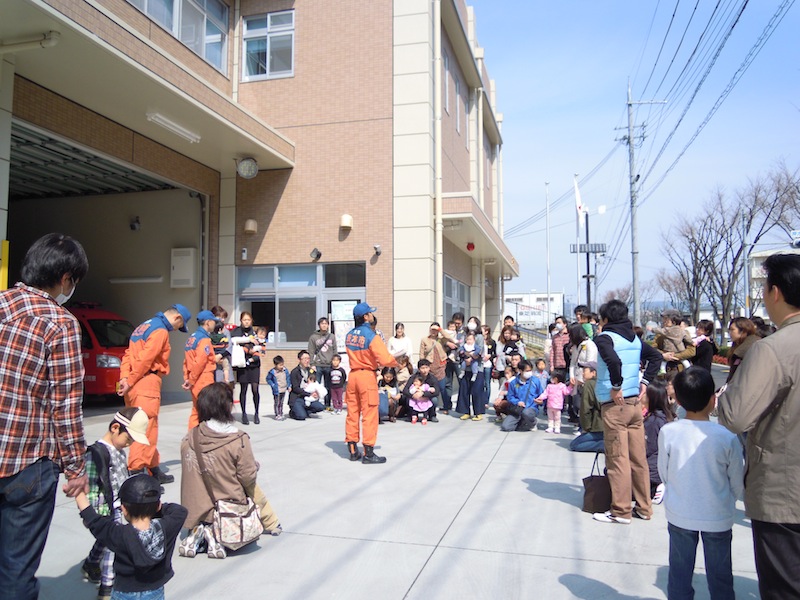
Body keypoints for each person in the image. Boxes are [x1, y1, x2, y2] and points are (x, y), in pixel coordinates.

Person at [0, 233, 89, 600]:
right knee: (16, 570)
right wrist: (77, 469)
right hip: (27, 463)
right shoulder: (61, 323)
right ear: (66, 279)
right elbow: (65, 407)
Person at [717, 253, 800, 599]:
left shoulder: (773, 349)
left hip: (785, 491)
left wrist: (725, 396)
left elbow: (735, 416)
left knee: (785, 586)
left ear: (775, 292)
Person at [658, 368, 744, 600]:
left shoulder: (669, 432)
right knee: (720, 575)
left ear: (678, 399)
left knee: (679, 572)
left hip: (680, 513)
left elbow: (664, 472)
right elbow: (737, 480)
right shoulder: (726, 437)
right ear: (713, 399)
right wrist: (728, 500)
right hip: (717, 515)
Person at [179, 383, 281, 560]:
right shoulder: (237, 439)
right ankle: (218, 532)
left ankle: (202, 528)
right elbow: (247, 477)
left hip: (194, 509)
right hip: (228, 510)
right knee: (251, 485)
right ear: (226, 406)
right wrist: (253, 466)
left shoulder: (189, 438)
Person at [592, 299, 662, 525]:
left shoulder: (604, 338)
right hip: (634, 406)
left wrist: (616, 385)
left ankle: (621, 511)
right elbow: (656, 357)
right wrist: (645, 381)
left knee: (618, 460)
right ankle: (644, 508)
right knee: (638, 459)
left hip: (615, 406)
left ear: (605, 319)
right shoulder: (634, 338)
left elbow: (613, 360)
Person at [75, 473, 187, 599]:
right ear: (158, 505)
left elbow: (93, 520)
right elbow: (180, 511)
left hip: (124, 593)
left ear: (124, 509)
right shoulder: (168, 527)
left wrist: (78, 492)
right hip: (155, 592)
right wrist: (153, 506)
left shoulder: (118, 534)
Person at [81, 408, 150, 600]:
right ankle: (107, 588)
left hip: (118, 506)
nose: (129, 444)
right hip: (105, 509)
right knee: (114, 547)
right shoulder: (96, 453)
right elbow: (91, 487)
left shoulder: (118, 451)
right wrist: (95, 514)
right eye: (128, 439)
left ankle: (90, 563)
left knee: (106, 540)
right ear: (115, 428)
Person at [119, 303, 191, 483]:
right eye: (179, 326)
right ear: (177, 318)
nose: (176, 330)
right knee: (145, 429)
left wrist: (125, 378)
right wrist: (131, 380)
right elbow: (146, 359)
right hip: (146, 383)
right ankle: (136, 473)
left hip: (134, 385)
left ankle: (153, 469)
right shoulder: (160, 331)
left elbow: (128, 355)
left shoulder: (143, 326)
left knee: (145, 426)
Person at [344, 302, 398, 463]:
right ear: (366, 317)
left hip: (352, 376)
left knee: (352, 413)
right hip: (367, 376)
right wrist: (396, 362)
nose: (373, 315)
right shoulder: (371, 335)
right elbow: (385, 359)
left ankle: (353, 450)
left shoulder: (349, 335)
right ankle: (368, 453)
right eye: (371, 313)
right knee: (369, 414)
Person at [182, 310, 222, 429]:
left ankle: (192, 436)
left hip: (194, 379)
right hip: (203, 379)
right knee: (206, 412)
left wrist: (188, 378)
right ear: (208, 322)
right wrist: (192, 380)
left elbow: (186, 361)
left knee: (196, 411)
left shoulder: (192, 338)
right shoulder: (204, 339)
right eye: (214, 322)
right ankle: (203, 436)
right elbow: (200, 362)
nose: (215, 324)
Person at [642, 380, 673, 504]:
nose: (641, 395)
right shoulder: (665, 417)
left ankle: (656, 489)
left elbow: (647, 448)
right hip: (661, 468)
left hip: (652, 470)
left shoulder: (653, 421)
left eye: (645, 393)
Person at [229, 312, 261, 425]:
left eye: (248, 320)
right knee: (243, 389)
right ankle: (244, 414)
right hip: (242, 364)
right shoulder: (236, 331)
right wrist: (248, 341)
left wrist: (254, 349)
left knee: (255, 389)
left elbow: (262, 344)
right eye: (244, 320)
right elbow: (232, 341)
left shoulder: (256, 331)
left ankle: (256, 413)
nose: (246, 322)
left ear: (251, 320)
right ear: (241, 321)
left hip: (254, 363)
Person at [569, 362, 604, 453]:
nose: (583, 373)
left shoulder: (589, 384)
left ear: (594, 373)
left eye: (585, 370)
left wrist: (586, 428)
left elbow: (585, 409)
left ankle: (606, 446)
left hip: (598, 428)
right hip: (608, 425)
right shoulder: (603, 382)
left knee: (575, 445)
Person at [500, 360, 543, 432]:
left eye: (530, 370)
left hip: (530, 408)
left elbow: (541, 394)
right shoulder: (513, 383)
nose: (529, 372)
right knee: (506, 427)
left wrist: (541, 401)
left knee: (526, 413)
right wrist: (517, 402)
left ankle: (533, 422)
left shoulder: (535, 381)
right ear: (520, 370)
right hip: (517, 409)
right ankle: (522, 422)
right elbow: (510, 397)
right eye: (527, 371)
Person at [456, 324, 486, 421]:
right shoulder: (463, 335)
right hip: (465, 368)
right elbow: (460, 350)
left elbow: (480, 351)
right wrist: (465, 357)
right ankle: (465, 412)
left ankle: (478, 412)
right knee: (464, 390)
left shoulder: (479, 337)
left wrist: (471, 358)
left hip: (477, 368)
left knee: (477, 391)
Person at [308, 317, 336, 409]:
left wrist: (335, 362)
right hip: (317, 365)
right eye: (322, 323)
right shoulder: (313, 337)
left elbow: (335, 350)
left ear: (328, 325)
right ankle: (315, 404)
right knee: (316, 386)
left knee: (328, 386)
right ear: (319, 325)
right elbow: (311, 351)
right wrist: (312, 364)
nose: (324, 325)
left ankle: (327, 405)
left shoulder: (332, 336)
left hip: (329, 364)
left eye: (325, 324)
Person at [289, 350, 325, 420]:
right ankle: (293, 412)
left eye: (308, 358)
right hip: (298, 398)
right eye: (305, 359)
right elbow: (295, 388)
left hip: (308, 398)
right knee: (302, 417)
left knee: (321, 407)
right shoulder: (295, 372)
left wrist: (315, 393)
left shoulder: (310, 370)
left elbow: (314, 382)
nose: (307, 361)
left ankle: (304, 411)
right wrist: (309, 394)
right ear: (299, 359)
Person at [419, 322, 449, 404]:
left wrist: (440, 329)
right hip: (430, 366)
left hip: (440, 365)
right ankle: (431, 404)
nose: (433, 331)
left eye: (435, 330)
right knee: (431, 387)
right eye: (432, 329)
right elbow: (421, 353)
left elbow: (449, 337)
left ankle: (446, 405)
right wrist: (422, 366)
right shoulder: (424, 339)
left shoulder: (441, 339)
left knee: (442, 387)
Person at [725, 316, 758, 383]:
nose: (730, 333)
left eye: (732, 330)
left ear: (743, 331)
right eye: (729, 330)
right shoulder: (737, 345)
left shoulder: (751, 347)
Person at [209, 306, 233, 387]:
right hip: (212, 364)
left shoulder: (225, 331)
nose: (222, 319)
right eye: (220, 317)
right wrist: (213, 357)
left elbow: (229, 347)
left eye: (223, 317)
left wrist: (220, 355)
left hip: (223, 362)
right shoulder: (209, 331)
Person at [266, 355, 289, 421]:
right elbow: (268, 379)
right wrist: (273, 385)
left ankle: (280, 413)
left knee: (281, 403)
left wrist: (289, 386)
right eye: (280, 365)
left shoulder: (285, 370)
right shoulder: (272, 372)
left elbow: (288, 378)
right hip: (277, 390)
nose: (282, 366)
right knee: (277, 403)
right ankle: (277, 414)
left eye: (282, 364)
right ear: (276, 365)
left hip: (283, 389)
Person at [481, 325, 497, 401]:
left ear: (486, 331)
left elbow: (496, 353)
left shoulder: (492, 342)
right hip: (480, 364)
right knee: (480, 383)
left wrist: (490, 356)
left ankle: (486, 400)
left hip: (488, 364)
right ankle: (480, 399)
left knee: (487, 383)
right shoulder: (478, 340)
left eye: (482, 330)